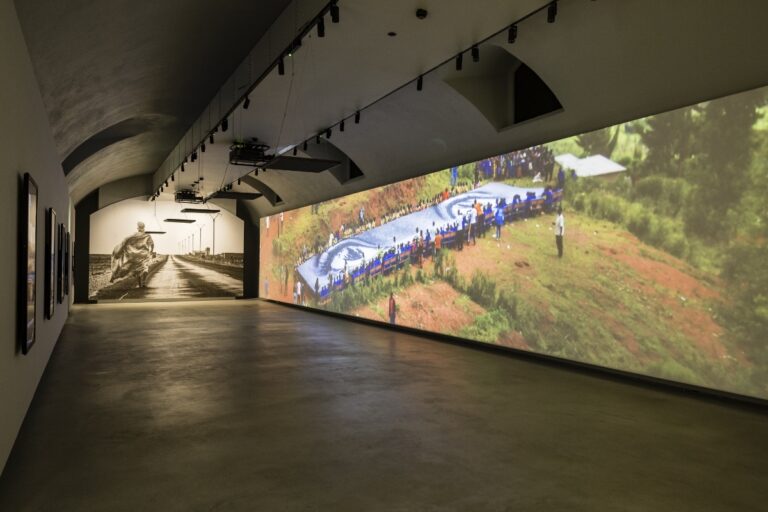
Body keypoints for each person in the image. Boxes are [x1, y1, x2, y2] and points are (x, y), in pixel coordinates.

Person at [110, 221, 155, 288]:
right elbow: (152, 244)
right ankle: (144, 282)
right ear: (144, 227)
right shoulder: (147, 235)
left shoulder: (133, 235)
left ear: (138, 228)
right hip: (144, 254)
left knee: (137, 269)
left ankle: (140, 284)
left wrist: (119, 249)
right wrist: (151, 251)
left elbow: (125, 240)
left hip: (135, 255)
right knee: (145, 268)